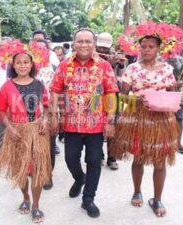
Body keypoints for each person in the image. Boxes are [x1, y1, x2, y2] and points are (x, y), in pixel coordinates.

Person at [50, 28, 118, 218]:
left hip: (96, 124)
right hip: (71, 123)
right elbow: (55, 90)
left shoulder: (104, 66)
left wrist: (110, 120)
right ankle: (80, 179)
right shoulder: (64, 66)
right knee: (70, 159)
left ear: (94, 44)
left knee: (94, 161)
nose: (84, 45)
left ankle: (88, 198)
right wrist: (53, 114)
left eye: (88, 41)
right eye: (80, 41)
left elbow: (111, 92)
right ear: (74, 43)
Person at [109, 35, 179, 217]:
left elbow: (172, 94)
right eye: (143, 46)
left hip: (162, 121)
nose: (146, 49)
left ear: (158, 49)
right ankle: (137, 190)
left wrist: (171, 94)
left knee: (160, 161)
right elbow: (122, 97)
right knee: (138, 158)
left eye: (151, 46)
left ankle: (157, 199)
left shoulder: (167, 69)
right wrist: (137, 100)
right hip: (138, 119)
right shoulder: (132, 69)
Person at [0, 51, 51, 223]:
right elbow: (0, 109)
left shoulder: (39, 85)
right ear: (13, 65)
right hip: (16, 133)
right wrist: (10, 128)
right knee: (21, 170)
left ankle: (35, 205)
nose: (22, 65)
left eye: (26, 62)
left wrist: (45, 120)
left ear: (32, 65)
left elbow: (47, 105)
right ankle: (26, 197)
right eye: (18, 63)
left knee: (37, 170)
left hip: (37, 133)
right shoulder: (7, 86)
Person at [95, 32, 128, 171]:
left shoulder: (115, 55)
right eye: (100, 47)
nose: (102, 50)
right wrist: (107, 63)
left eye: (105, 48)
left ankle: (112, 157)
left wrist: (120, 65)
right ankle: (99, 155)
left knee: (112, 124)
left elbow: (121, 76)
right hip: (95, 95)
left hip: (112, 94)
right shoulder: (91, 55)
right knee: (96, 126)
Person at [34, 39, 57, 190]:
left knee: (49, 144)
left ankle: (48, 174)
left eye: (43, 49)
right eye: (36, 49)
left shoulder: (56, 68)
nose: (40, 52)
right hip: (30, 112)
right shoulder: (26, 66)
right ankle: (37, 170)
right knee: (34, 143)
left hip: (50, 110)